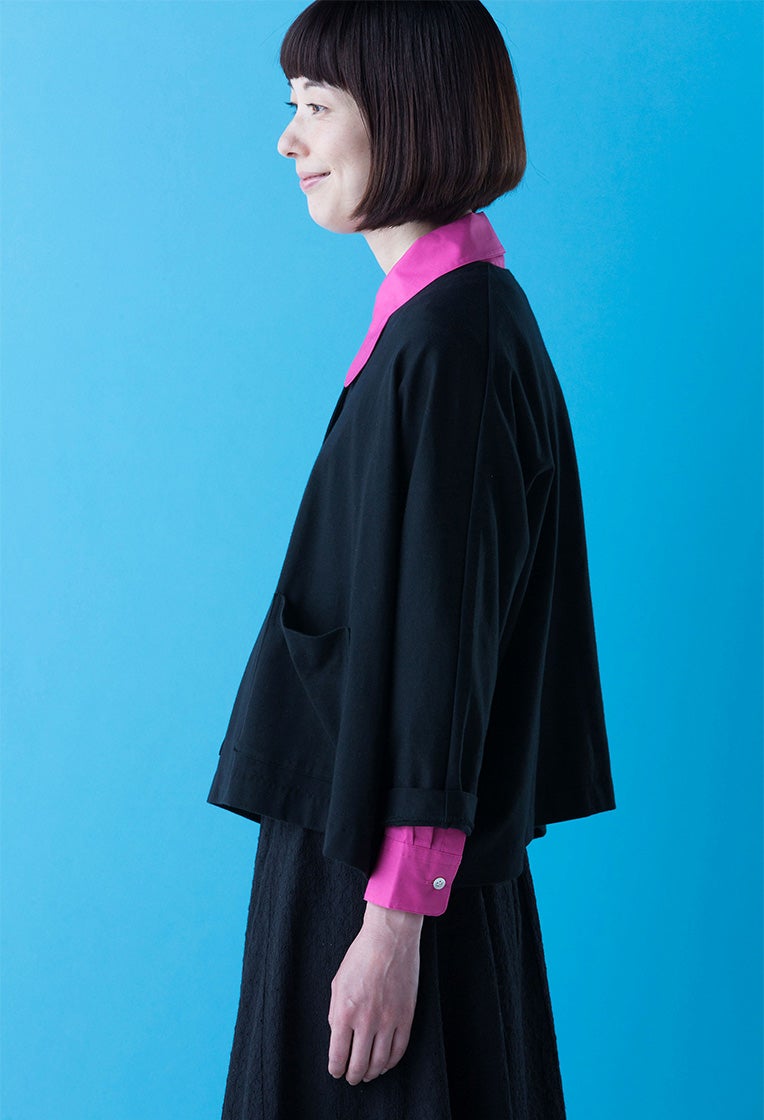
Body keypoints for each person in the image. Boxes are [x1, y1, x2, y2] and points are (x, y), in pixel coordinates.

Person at [207, 2, 616, 1116]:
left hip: (385, 879)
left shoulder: (456, 342)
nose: (288, 139)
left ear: (407, 113)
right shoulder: (428, 323)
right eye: (292, 105)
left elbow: (448, 656)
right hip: (360, 849)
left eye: (316, 106)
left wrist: (393, 922)